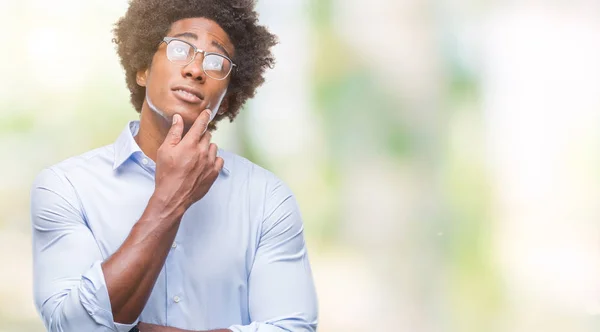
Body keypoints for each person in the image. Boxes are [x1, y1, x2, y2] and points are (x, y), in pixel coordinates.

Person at [30, 1, 318, 331]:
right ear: (142, 69)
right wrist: (170, 199)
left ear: (227, 96)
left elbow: (292, 328)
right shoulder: (66, 188)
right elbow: (74, 326)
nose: (196, 69)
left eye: (216, 60)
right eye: (180, 48)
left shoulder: (267, 198)